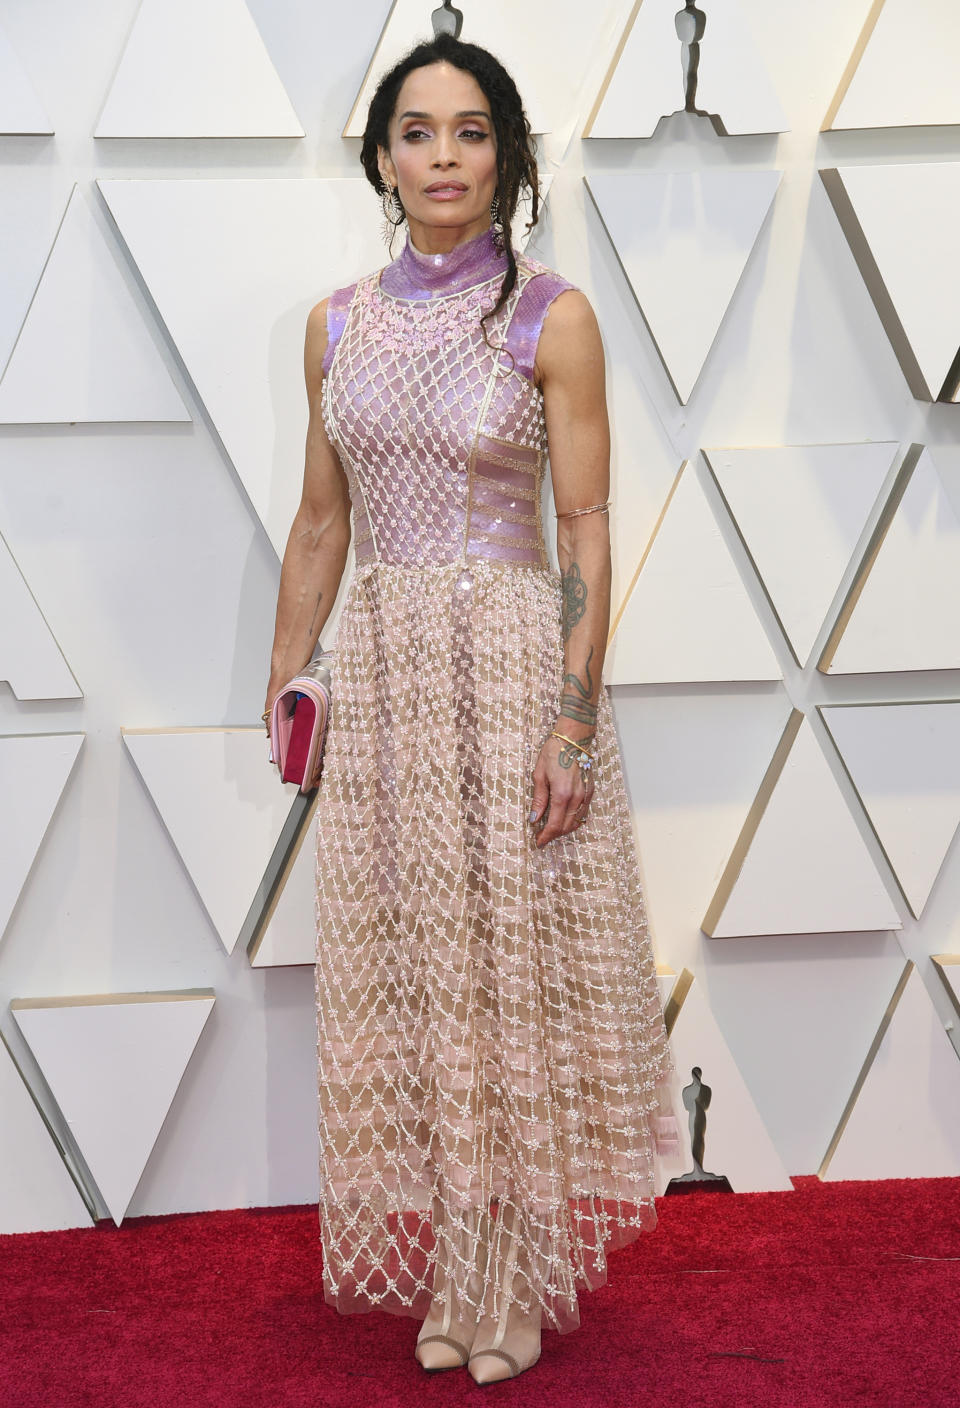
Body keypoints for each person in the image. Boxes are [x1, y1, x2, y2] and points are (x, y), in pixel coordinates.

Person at [264, 32, 680, 1386]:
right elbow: (321, 520)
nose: (444, 156)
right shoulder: (335, 325)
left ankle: (510, 1275)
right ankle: (454, 1259)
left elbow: (587, 531)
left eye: (471, 131)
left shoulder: (550, 315)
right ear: (381, 158)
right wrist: (286, 681)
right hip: (385, 681)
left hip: (507, 671)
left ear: (506, 155)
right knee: (417, 980)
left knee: (508, 985)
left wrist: (573, 718)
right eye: (417, 132)